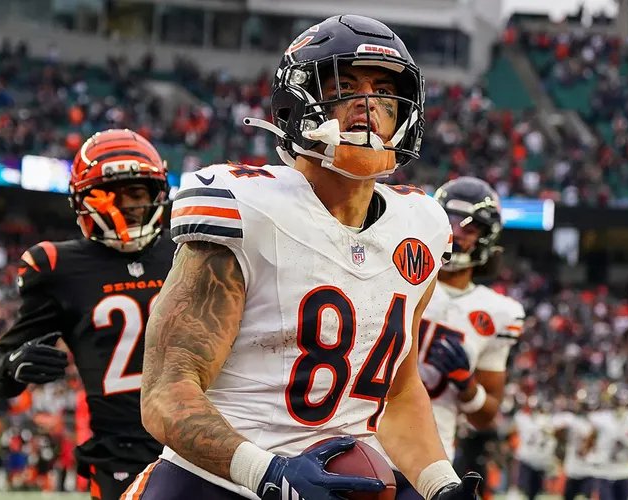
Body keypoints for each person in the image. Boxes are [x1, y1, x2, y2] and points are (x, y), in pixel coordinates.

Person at [125, 14, 480, 500]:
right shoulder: (246, 206)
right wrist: (269, 474)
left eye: (383, 90)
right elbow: (167, 391)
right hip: (217, 482)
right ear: (298, 101)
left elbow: (397, 392)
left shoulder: (421, 226)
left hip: (340, 480)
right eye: (346, 85)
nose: (368, 103)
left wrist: (441, 485)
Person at [0, 129, 175, 500]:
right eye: (113, 196)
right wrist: (12, 366)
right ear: (83, 200)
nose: (129, 206)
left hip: (201, 437)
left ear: (157, 194)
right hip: (122, 450)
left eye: (137, 193)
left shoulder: (187, 251)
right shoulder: (60, 267)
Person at [398, 177, 524, 499]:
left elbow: (486, 415)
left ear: (485, 238)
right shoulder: (398, 273)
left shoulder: (499, 312)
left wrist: (467, 387)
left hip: (429, 453)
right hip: (361, 435)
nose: (455, 231)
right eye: (449, 220)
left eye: (469, 227)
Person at [587, 384, 628, 500]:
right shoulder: (600, 418)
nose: (621, 405)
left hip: (623, 471)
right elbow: (589, 441)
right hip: (604, 471)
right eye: (618, 401)